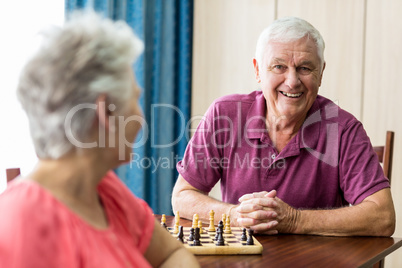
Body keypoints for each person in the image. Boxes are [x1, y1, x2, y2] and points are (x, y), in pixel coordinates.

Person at [0, 11, 199, 267]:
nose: (141, 118)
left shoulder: (105, 190)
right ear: (106, 112)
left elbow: (173, 254)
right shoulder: (23, 221)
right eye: (135, 100)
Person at [172, 16, 395, 237]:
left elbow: (383, 218)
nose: (292, 81)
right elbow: (182, 196)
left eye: (305, 68)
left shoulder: (344, 129)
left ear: (321, 73)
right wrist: (236, 215)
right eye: (279, 66)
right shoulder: (224, 114)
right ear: (258, 70)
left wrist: (294, 220)